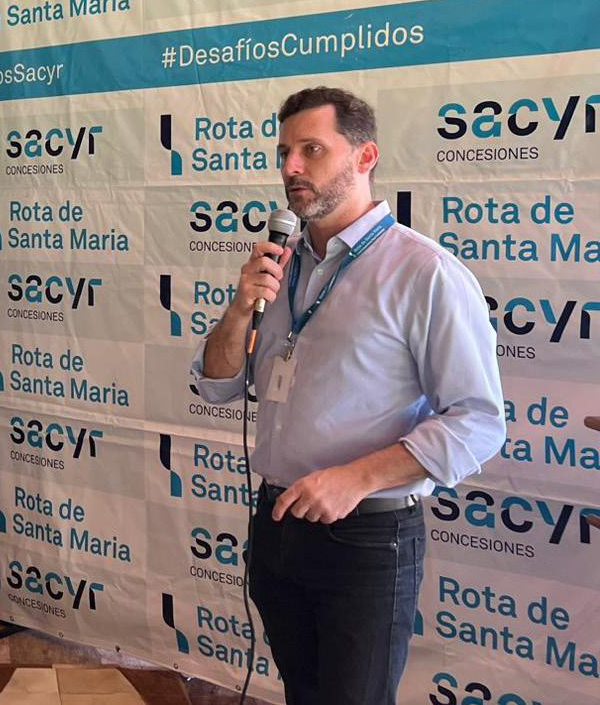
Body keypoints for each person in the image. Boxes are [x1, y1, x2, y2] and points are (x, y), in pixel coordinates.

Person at [191, 87, 505, 705]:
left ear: (365, 157)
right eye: (284, 152)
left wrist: (355, 479)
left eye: (312, 150)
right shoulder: (279, 265)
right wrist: (239, 308)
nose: (291, 167)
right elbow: (218, 383)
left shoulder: (424, 272)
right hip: (277, 526)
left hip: (365, 538)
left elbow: (477, 421)